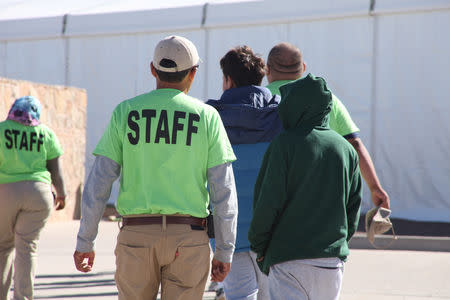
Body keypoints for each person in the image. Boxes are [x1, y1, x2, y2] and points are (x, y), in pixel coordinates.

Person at [73, 35, 238, 300]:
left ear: (153, 69)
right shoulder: (207, 117)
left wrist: (85, 242)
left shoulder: (125, 112)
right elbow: (224, 191)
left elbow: (98, 184)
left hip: (136, 236)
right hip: (189, 238)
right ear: (193, 73)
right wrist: (224, 250)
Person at [249, 74, 362, 300]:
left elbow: (268, 202)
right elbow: (353, 206)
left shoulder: (284, 145)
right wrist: (337, 247)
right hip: (331, 262)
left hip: (287, 259)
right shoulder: (346, 149)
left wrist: (259, 247)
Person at [265, 42, 389, 210]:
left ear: (267, 69)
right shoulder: (327, 98)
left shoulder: (261, 100)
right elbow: (355, 144)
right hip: (323, 199)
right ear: (303, 67)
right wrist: (375, 188)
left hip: (276, 197)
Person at [207, 45, 281, 300]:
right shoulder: (282, 115)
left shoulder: (210, 117)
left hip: (229, 234)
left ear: (228, 80)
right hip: (273, 234)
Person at [0, 96, 66, 300]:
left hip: (5, 193)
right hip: (39, 194)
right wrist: (62, 194)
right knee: (27, 247)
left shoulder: (2, 129)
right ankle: (24, 297)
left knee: (3, 246)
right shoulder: (45, 133)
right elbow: (55, 170)